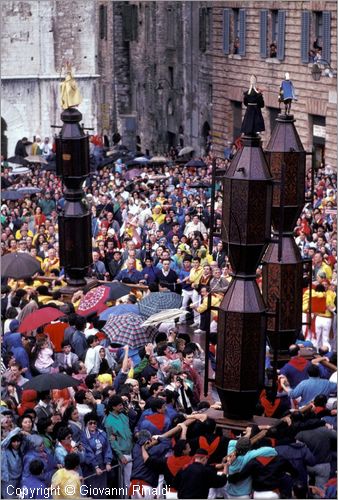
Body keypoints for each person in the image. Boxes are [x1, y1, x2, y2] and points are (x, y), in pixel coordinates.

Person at [81, 412, 113, 498]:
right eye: (90, 423)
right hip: (90, 467)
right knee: (94, 492)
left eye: (94, 423)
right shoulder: (84, 436)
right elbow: (88, 452)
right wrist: (96, 466)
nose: (93, 425)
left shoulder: (102, 433)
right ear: (86, 424)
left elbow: (107, 448)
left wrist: (108, 462)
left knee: (103, 490)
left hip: (102, 464)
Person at [104, 395, 133, 489]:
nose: (121, 407)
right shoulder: (108, 421)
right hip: (122, 455)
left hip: (129, 451)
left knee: (129, 481)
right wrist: (120, 455)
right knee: (123, 483)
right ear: (113, 407)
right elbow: (112, 441)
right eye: (119, 405)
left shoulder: (124, 416)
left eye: (122, 405)